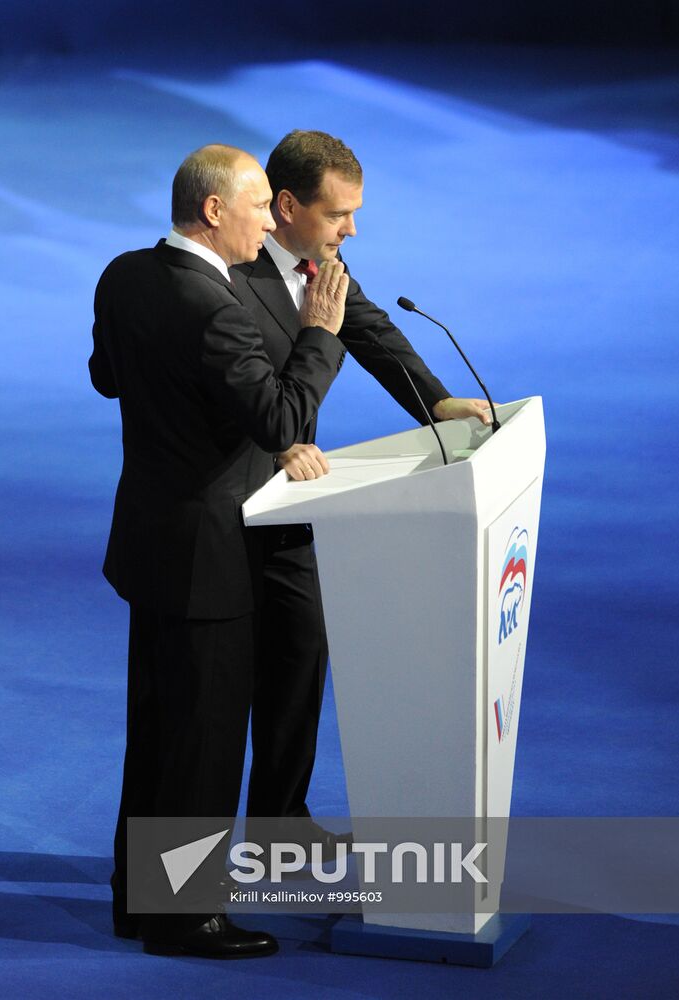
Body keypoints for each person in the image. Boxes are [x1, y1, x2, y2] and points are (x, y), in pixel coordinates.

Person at [89, 143, 349, 958]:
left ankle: (138, 896)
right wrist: (318, 335)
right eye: (253, 206)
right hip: (209, 554)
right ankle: (184, 916)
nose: (265, 220)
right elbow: (279, 421)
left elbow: (107, 377)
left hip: (150, 541)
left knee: (157, 727)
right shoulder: (218, 307)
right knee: (202, 737)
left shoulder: (125, 274)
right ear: (212, 210)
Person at [233, 130, 491, 835]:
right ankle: (179, 871)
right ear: (285, 206)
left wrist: (436, 402)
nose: (350, 229)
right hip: (232, 495)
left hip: (290, 492)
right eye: (337, 213)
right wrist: (280, 437)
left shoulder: (325, 260)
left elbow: (368, 331)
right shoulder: (229, 270)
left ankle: (279, 820)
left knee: (303, 643)